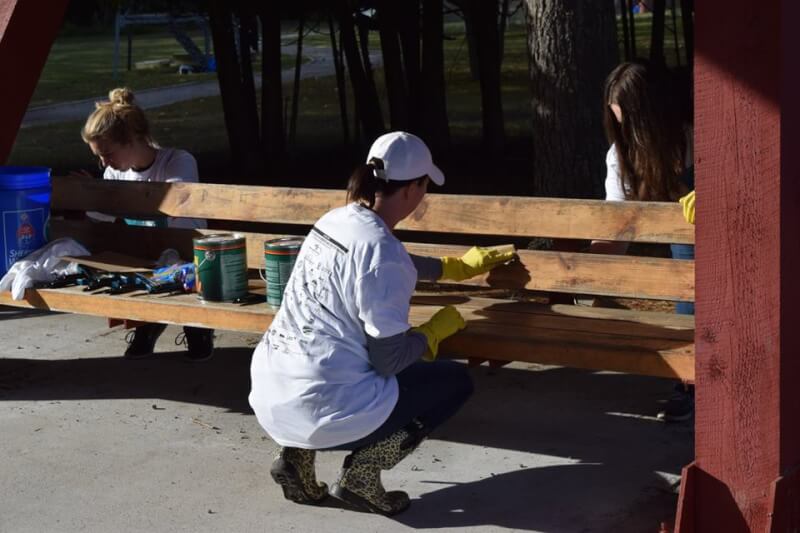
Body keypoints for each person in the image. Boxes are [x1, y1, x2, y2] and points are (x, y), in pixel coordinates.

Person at [249, 131, 514, 516]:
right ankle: (363, 476)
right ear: (411, 189)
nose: (424, 197)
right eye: (425, 187)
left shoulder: (337, 219)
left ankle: (295, 460)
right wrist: (432, 333)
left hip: (274, 391)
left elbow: (381, 260)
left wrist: (454, 267)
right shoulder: (381, 251)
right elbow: (389, 360)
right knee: (452, 383)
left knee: (333, 365)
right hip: (325, 405)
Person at [79, 87, 214, 362]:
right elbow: (104, 218)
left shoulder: (177, 161)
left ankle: (196, 325)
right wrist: (90, 193)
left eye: (108, 153)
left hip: (188, 254)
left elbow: (174, 208)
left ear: (130, 140)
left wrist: (115, 202)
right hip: (145, 253)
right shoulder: (115, 170)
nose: (104, 162)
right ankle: (148, 322)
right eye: (99, 156)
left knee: (174, 259)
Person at [595, 60, 695, 421]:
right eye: (617, 119)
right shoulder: (620, 156)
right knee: (687, 292)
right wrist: (583, 270)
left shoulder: (695, 137)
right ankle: (689, 384)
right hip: (684, 255)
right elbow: (617, 228)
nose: (623, 129)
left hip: (723, 247)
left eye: (630, 121)